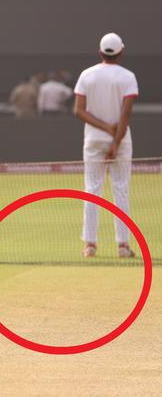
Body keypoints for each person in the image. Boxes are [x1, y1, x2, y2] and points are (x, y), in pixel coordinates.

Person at [74, 32, 137, 259]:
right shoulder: (128, 76)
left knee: (92, 189)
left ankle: (90, 245)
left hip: (93, 139)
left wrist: (105, 129)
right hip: (121, 138)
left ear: (100, 52)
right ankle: (123, 245)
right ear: (121, 52)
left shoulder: (86, 75)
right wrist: (116, 138)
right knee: (121, 189)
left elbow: (79, 110)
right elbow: (126, 112)